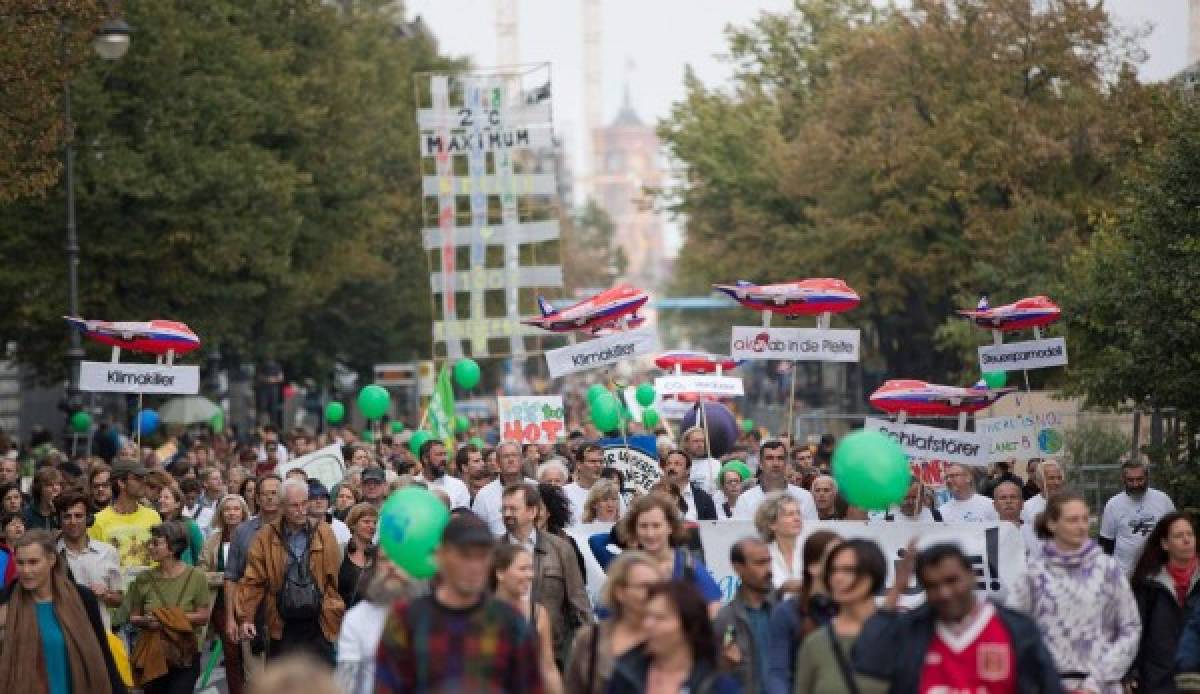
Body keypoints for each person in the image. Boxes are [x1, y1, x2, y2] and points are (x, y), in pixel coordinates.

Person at [852, 543, 1064, 692]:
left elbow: (1048, 686)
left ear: (973, 575)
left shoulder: (1017, 629)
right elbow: (867, 658)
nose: (945, 593)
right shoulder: (911, 629)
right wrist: (896, 591)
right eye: (933, 586)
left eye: (952, 581)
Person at [374, 512, 543, 692]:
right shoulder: (407, 619)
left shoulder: (510, 622)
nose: (474, 566)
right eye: (465, 555)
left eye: (482, 556)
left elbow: (530, 687)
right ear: (441, 556)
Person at [1010, 492, 1141, 693]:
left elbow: (1130, 627)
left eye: (1084, 519)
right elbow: (1014, 630)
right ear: (1052, 524)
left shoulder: (1107, 569)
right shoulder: (1033, 574)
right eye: (1072, 520)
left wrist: (1096, 682)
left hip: (1100, 685)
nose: (1081, 526)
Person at [0, 530, 128, 694]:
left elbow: (102, 653)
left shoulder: (82, 599)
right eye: (20, 562)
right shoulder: (6, 601)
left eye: (33, 562)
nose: (25, 570)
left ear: (51, 560)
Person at [238, 478, 345, 664]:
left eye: (304, 503)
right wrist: (247, 617)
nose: (302, 510)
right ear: (282, 507)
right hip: (282, 621)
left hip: (319, 620)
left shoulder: (324, 532)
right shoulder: (265, 536)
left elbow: (333, 577)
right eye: (294, 505)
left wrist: (333, 608)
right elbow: (253, 580)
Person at [501, 482, 592, 665]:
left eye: (513, 508)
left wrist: (587, 650)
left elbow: (579, 604)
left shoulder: (560, 549)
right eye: (504, 509)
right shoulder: (494, 552)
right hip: (506, 654)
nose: (507, 514)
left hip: (553, 653)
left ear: (532, 512)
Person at [125, 522, 212, 694]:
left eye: (156, 543)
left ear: (172, 548)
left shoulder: (196, 577)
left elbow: (203, 616)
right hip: (153, 655)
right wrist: (146, 622)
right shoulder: (143, 578)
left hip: (185, 653)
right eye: (150, 542)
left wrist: (167, 619)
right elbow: (133, 617)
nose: (150, 546)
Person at [606, 580, 738, 693]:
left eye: (660, 618)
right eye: (646, 616)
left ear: (689, 626)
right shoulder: (623, 674)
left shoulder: (716, 684)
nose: (648, 624)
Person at [793, 539, 889, 694]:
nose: (838, 578)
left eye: (849, 570)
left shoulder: (899, 638)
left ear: (872, 574)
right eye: (833, 570)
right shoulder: (814, 644)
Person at [564, 551, 658, 694]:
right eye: (643, 586)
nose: (651, 593)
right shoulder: (592, 639)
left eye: (656, 587)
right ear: (620, 592)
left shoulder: (669, 636)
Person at [616, 494, 723, 612]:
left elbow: (714, 609)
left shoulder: (688, 566)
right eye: (643, 526)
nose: (650, 533)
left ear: (670, 527)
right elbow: (608, 616)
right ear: (634, 529)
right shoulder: (625, 569)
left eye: (656, 526)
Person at [1130, 512, 1198, 692]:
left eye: (1190, 534)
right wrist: (1132, 671)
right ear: (1165, 544)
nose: (1186, 540)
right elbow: (1135, 631)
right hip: (1159, 681)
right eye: (1178, 536)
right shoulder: (1149, 584)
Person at [334, 557, 424, 694]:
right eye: (384, 560)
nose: (392, 566)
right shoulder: (356, 618)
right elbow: (345, 683)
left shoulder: (429, 614)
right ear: (375, 567)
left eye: (399, 557)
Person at [223, 473, 282, 678]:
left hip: (286, 617)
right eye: (264, 494)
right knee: (256, 682)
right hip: (250, 616)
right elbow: (231, 577)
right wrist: (230, 619)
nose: (269, 498)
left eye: (274, 493)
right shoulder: (242, 531)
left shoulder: (295, 529)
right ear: (256, 498)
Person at [767, 530, 841, 694]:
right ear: (813, 566)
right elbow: (777, 673)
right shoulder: (786, 613)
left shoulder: (849, 610)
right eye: (835, 558)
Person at [493, 543, 564, 694]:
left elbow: (548, 667)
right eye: (522, 569)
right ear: (500, 573)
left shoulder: (537, 613)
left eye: (531, 568)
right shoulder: (480, 612)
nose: (530, 575)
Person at [199, 493, 251, 694]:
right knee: (231, 654)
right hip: (222, 605)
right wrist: (226, 577)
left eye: (236, 509)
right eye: (227, 509)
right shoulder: (213, 541)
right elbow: (201, 573)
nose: (231, 513)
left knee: (250, 653)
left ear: (244, 512)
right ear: (221, 513)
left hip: (249, 604)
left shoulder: (254, 535)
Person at [714, 538, 775, 693]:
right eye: (760, 563)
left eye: (769, 561)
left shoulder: (783, 610)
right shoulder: (726, 619)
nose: (768, 569)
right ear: (738, 568)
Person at [55, 490, 122, 629]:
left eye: (78, 516)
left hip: (100, 634)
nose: (73, 522)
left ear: (88, 519)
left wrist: (106, 595)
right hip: (64, 632)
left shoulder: (108, 552)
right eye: (67, 517)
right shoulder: (50, 555)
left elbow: (119, 600)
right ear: (59, 520)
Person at [1101, 458, 1177, 576]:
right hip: (1125, 575)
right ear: (1123, 479)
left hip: (1159, 574)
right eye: (1130, 480)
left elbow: (1175, 533)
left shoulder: (1163, 500)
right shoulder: (1113, 504)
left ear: (1147, 477)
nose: (1135, 484)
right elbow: (1106, 544)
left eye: (1140, 479)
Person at [90, 459, 163, 570]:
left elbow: (161, 558)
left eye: (144, 478)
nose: (144, 482)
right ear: (121, 483)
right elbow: (93, 565)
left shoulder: (153, 516)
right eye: (138, 479)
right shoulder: (97, 521)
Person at [734, 439, 818, 521]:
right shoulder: (745, 500)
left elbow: (812, 532)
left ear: (786, 463)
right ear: (760, 463)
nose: (775, 463)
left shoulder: (805, 497)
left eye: (780, 458)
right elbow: (740, 533)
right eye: (769, 458)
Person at [473, 441, 537, 536]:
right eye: (506, 456)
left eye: (514, 455)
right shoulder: (484, 495)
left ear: (521, 460)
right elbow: (477, 531)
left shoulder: (535, 488)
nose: (511, 460)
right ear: (498, 463)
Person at [755, 491, 805, 591]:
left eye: (798, 513)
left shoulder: (811, 551)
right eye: (789, 514)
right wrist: (783, 589)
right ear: (772, 523)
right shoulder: (761, 556)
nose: (797, 518)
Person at [337, 502, 378, 609]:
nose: (372, 526)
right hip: (339, 618)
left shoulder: (379, 556)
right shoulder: (339, 551)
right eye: (366, 522)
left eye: (374, 522)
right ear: (353, 524)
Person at [661, 449, 718, 521]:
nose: (671, 467)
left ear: (688, 470)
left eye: (677, 464)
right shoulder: (657, 495)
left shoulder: (703, 498)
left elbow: (712, 527)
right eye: (668, 464)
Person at [1021, 459, 1065, 549]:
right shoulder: (1027, 508)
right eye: (1051, 478)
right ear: (1039, 482)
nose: (1056, 482)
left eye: (1059, 478)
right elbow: (1024, 543)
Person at [156, 484, 205, 565]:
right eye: (160, 497)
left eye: (166, 497)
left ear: (177, 504)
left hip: (185, 573)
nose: (161, 500)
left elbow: (200, 554)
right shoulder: (157, 524)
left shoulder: (190, 525)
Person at [418, 440, 470, 510]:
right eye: (439, 455)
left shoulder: (458, 486)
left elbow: (463, 517)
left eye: (445, 454)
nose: (444, 458)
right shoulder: (412, 486)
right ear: (425, 459)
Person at [564, 443, 606, 525]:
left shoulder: (613, 493)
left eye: (601, 461)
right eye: (592, 461)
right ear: (579, 465)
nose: (598, 465)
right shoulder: (565, 493)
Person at [306, 480, 350, 548]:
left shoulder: (340, 527)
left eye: (323, 497)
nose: (319, 501)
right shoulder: (300, 529)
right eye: (313, 498)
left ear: (328, 501)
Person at [875, 478, 942, 522]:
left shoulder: (935, 516)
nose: (910, 502)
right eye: (906, 498)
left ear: (922, 497)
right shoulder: (888, 520)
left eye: (914, 497)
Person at [682, 426, 723, 496]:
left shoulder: (714, 464)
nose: (700, 444)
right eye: (696, 441)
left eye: (702, 441)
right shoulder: (680, 464)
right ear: (686, 444)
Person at [23, 466, 63, 531]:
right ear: (39, 488)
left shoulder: (65, 510)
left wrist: (57, 513)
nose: (55, 488)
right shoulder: (27, 514)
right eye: (50, 485)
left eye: (58, 484)